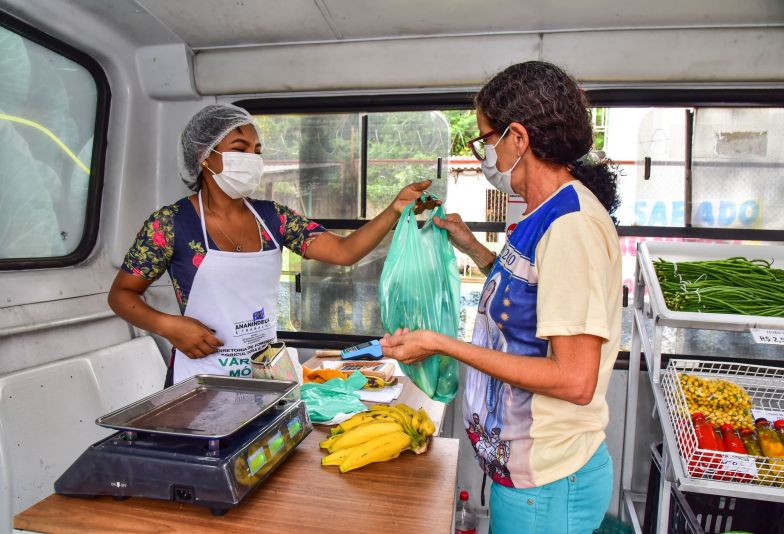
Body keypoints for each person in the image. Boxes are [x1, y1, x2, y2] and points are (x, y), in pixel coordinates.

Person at [379, 61, 621, 533]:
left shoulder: (571, 226)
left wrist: (443, 344)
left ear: (518, 137)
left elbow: (575, 380)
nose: (483, 153)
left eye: (484, 139)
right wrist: (473, 248)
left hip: (549, 486)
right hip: (527, 477)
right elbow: (534, 299)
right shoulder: (541, 213)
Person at [108, 104, 431, 385]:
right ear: (204, 157)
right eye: (240, 148)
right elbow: (121, 295)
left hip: (264, 375)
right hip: (199, 378)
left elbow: (345, 252)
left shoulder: (273, 218)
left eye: (257, 151)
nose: (252, 159)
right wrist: (168, 326)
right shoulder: (170, 223)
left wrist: (393, 209)